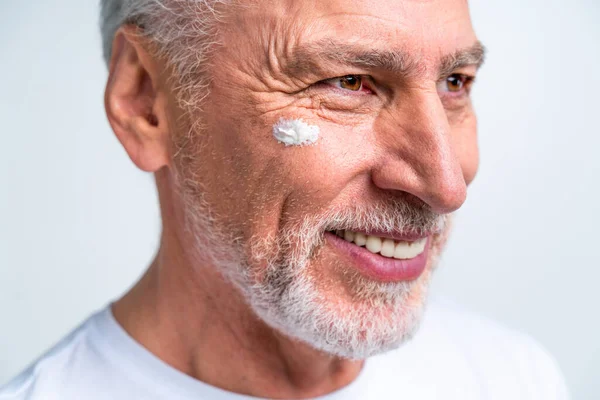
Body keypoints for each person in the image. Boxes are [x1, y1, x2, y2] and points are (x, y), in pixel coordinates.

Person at [0, 0, 570, 399]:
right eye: (348, 81)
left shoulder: (515, 380)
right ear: (147, 100)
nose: (447, 184)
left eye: (455, 83)